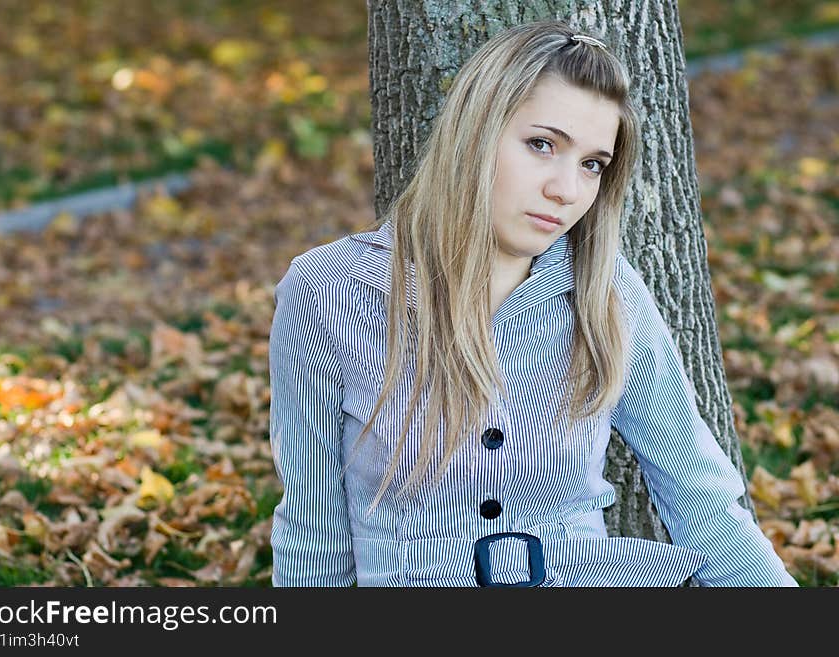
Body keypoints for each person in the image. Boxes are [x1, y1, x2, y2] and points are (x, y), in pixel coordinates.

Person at [267, 20, 799, 587]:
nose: (566, 190)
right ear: (475, 132)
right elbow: (311, 531)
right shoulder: (328, 291)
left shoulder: (604, 289)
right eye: (542, 145)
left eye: (593, 164)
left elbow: (698, 489)